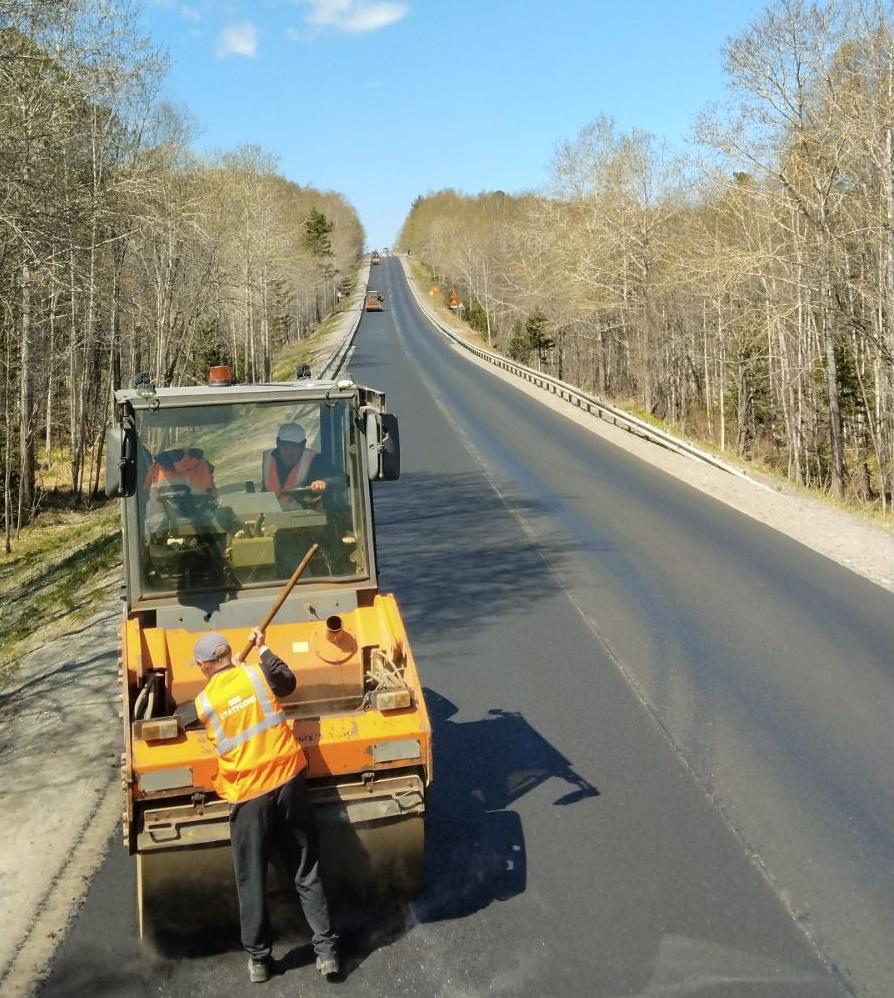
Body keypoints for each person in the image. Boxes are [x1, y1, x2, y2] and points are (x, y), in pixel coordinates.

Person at [176, 629, 339, 984]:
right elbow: (287, 681)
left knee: (251, 877)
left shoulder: (205, 702)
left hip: (249, 795)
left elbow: (182, 716)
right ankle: (327, 952)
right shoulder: (256, 673)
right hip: (288, 782)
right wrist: (263, 649)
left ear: (203, 667)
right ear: (231, 654)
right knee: (305, 868)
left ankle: (260, 960)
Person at [261, 423, 330, 509]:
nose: (289, 453)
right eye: (285, 446)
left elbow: (341, 478)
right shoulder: (268, 459)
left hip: (305, 517)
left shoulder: (315, 460)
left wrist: (323, 482)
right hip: (271, 517)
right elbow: (263, 492)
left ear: (304, 444)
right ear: (278, 442)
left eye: (294, 447)